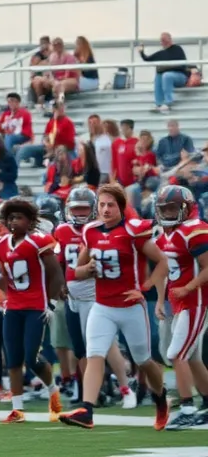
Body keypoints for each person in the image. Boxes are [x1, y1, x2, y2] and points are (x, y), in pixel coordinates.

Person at [60, 183, 170, 429]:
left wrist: (144, 287)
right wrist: (87, 269)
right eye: (102, 205)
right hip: (102, 306)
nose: (106, 209)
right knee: (94, 354)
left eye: (111, 205)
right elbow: (76, 272)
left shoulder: (133, 231)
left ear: (121, 207)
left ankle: (161, 396)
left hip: (130, 307)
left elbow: (162, 261)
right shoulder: (90, 231)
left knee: (143, 360)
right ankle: (87, 410)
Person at [54, 189, 136, 409]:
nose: (80, 214)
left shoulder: (98, 230)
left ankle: (125, 387)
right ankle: (90, 393)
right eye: (76, 209)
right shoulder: (62, 230)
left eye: (84, 209)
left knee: (103, 344)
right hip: (72, 295)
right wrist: (61, 284)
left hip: (93, 293)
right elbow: (60, 261)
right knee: (81, 348)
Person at [0, 199, 65, 423]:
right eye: (11, 218)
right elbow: (8, 278)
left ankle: (53, 391)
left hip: (35, 307)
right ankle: (18, 409)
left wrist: (50, 304)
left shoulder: (39, 241)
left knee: (31, 357)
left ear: (30, 221)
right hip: (13, 307)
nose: (14, 222)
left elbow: (56, 274)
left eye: (19, 217)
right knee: (13, 358)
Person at [151, 186, 208, 429]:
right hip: (180, 303)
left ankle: (187, 408)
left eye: (173, 208)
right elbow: (164, 271)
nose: (168, 213)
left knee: (177, 354)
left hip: (196, 301)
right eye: (164, 209)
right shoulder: (165, 234)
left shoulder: (195, 230)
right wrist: (161, 300)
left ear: (186, 207)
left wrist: (189, 288)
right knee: (192, 357)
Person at [140, 32, 189, 112]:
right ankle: (159, 104)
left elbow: (182, 65)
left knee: (166, 75)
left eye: (165, 40)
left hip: (180, 77)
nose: (163, 42)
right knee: (159, 75)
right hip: (167, 77)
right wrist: (141, 52)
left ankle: (168, 103)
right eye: (162, 40)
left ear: (170, 40)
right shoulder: (161, 53)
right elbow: (147, 59)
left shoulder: (177, 49)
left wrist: (166, 68)